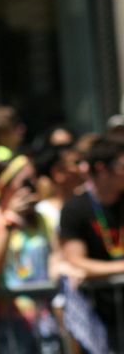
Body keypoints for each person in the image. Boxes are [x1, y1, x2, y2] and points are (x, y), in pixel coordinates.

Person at [0, 154, 63, 353]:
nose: (34, 185)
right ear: (6, 187)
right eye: (26, 181)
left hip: (44, 318)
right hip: (9, 322)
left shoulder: (43, 219)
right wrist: (10, 222)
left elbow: (56, 256)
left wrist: (56, 272)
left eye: (35, 178)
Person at [59, 135, 124, 351]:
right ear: (102, 169)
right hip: (101, 316)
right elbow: (76, 261)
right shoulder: (75, 209)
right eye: (121, 165)